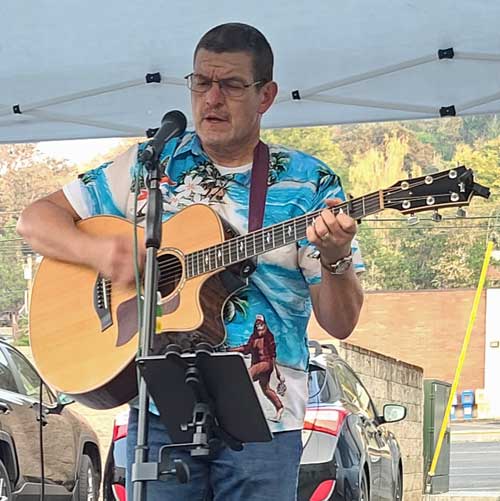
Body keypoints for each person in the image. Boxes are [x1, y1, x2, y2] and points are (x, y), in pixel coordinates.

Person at [17, 22, 364, 501]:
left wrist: (336, 258)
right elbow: (34, 221)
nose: (212, 98)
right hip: (160, 409)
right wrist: (99, 251)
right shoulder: (151, 164)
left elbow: (340, 323)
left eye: (232, 85)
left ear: (266, 96)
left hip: (265, 419)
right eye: (201, 83)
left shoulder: (309, 184)